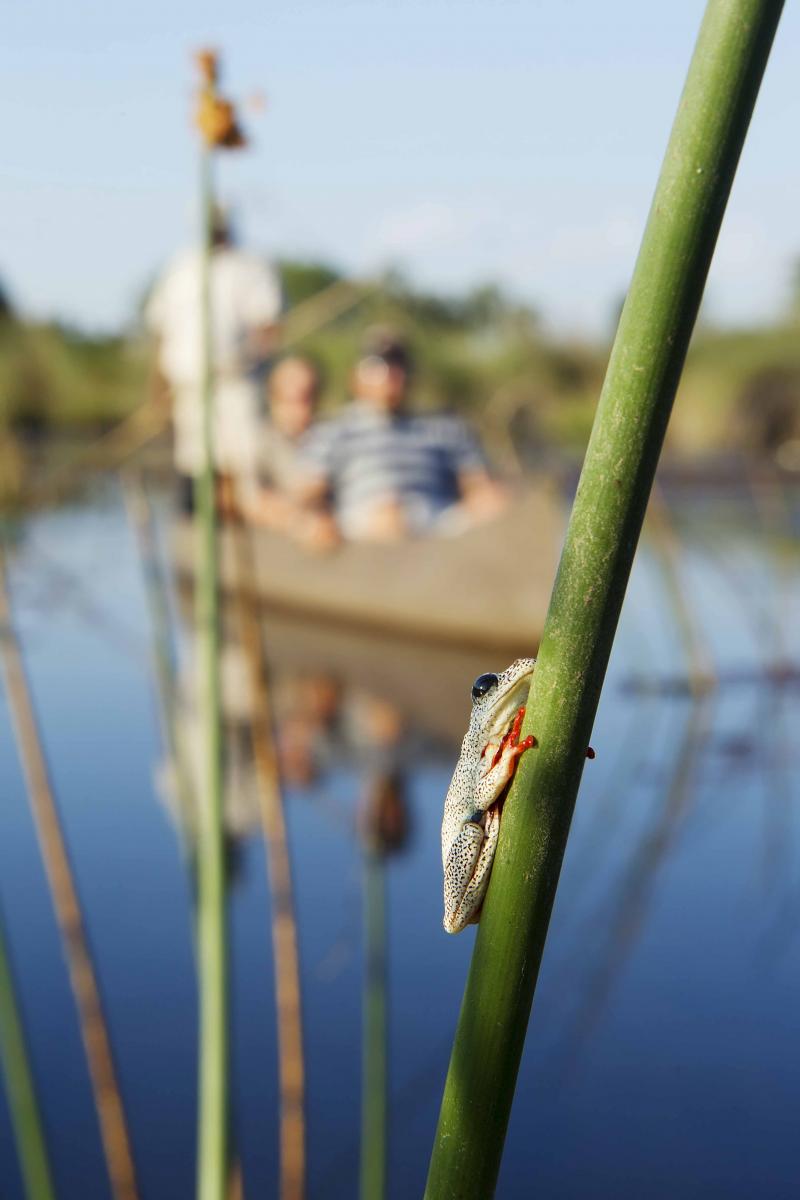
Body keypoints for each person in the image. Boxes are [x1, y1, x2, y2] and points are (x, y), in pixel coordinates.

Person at [297, 330, 507, 541]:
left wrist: (487, 500)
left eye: (398, 366)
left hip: (437, 524)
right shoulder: (332, 430)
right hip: (356, 527)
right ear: (356, 376)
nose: (390, 376)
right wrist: (318, 518)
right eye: (378, 366)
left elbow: (479, 484)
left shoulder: (447, 427)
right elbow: (311, 493)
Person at [145, 207, 282, 514]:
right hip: (189, 387)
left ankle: (246, 534)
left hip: (237, 383)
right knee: (196, 463)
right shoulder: (180, 267)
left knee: (244, 463)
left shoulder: (252, 267)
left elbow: (269, 326)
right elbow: (160, 329)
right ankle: (198, 530)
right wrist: (158, 387)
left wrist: (251, 357)